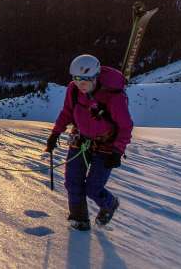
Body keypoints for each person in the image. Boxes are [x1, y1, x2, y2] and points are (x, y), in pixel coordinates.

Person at [45, 54, 133, 230]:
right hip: (81, 139)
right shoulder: (74, 89)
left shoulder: (114, 96)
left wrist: (117, 150)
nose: (80, 83)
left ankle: (109, 204)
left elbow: (125, 126)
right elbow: (67, 112)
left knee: (93, 188)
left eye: (85, 79)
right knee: (72, 181)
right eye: (76, 78)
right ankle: (79, 220)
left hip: (106, 145)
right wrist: (55, 133)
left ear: (96, 76)